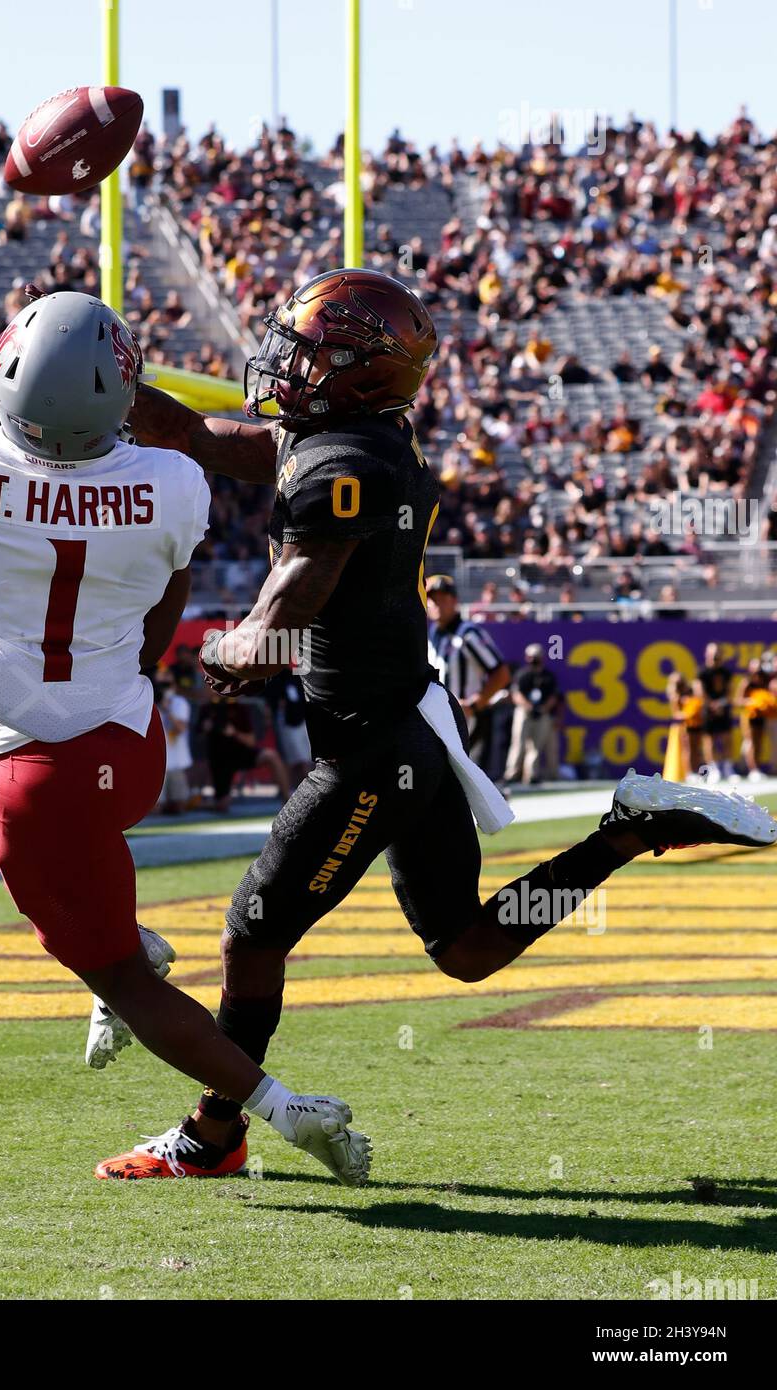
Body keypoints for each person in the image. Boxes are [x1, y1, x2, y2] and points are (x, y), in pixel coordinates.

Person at [92, 265, 777, 1182]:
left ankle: (216, 1134)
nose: (287, 363)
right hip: (413, 731)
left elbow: (282, 618)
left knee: (251, 941)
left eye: (314, 352)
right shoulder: (353, 438)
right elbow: (192, 433)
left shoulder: (343, 466)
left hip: (375, 749)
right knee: (468, 948)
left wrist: (213, 649)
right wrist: (79, 374)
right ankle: (628, 831)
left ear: (365, 373)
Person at [0, 202, 368, 1184]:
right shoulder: (173, 484)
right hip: (126, 748)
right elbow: (165, 615)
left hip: (43, 771)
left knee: (118, 980)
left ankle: (283, 1109)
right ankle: (137, 938)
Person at [426, 575, 512, 778]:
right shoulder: (433, 634)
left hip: (467, 722)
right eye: (432, 599)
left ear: (454, 601)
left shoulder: (468, 633)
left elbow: (501, 674)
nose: (436, 604)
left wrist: (475, 704)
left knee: (467, 782)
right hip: (440, 722)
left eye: (442, 598)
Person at [505, 643, 561, 785]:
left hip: (543, 713)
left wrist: (543, 708)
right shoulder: (522, 674)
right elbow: (516, 694)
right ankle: (512, 773)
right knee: (518, 743)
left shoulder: (548, 676)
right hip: (524, 712)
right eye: (531, 657)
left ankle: (531, 774)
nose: (533, 659)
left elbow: (554, 696)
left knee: (536, 745)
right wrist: (529, 707)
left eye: (536, 657)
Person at [698, 642, 734, 782]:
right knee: (709, 740)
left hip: (723, 708)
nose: (715, 657)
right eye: (713, 655)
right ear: (707, 655)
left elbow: (730, 692)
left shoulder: (726, 672)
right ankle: (714, 769)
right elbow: (700, 692)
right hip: (708, 710)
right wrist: (712, 705)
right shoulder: (702, 672)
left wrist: (721, 704)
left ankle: (728, 767)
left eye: (717, 654)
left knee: (727, 738)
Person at [155, 674, 192, 814]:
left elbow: (180, 729)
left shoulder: (179, 702)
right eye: (161, 686)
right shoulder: (150, 702)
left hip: (176, 761)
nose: (164, 689)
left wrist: (167, 710)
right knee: (155, 808)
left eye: (167, 685)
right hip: (157, 763)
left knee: (179, 806)